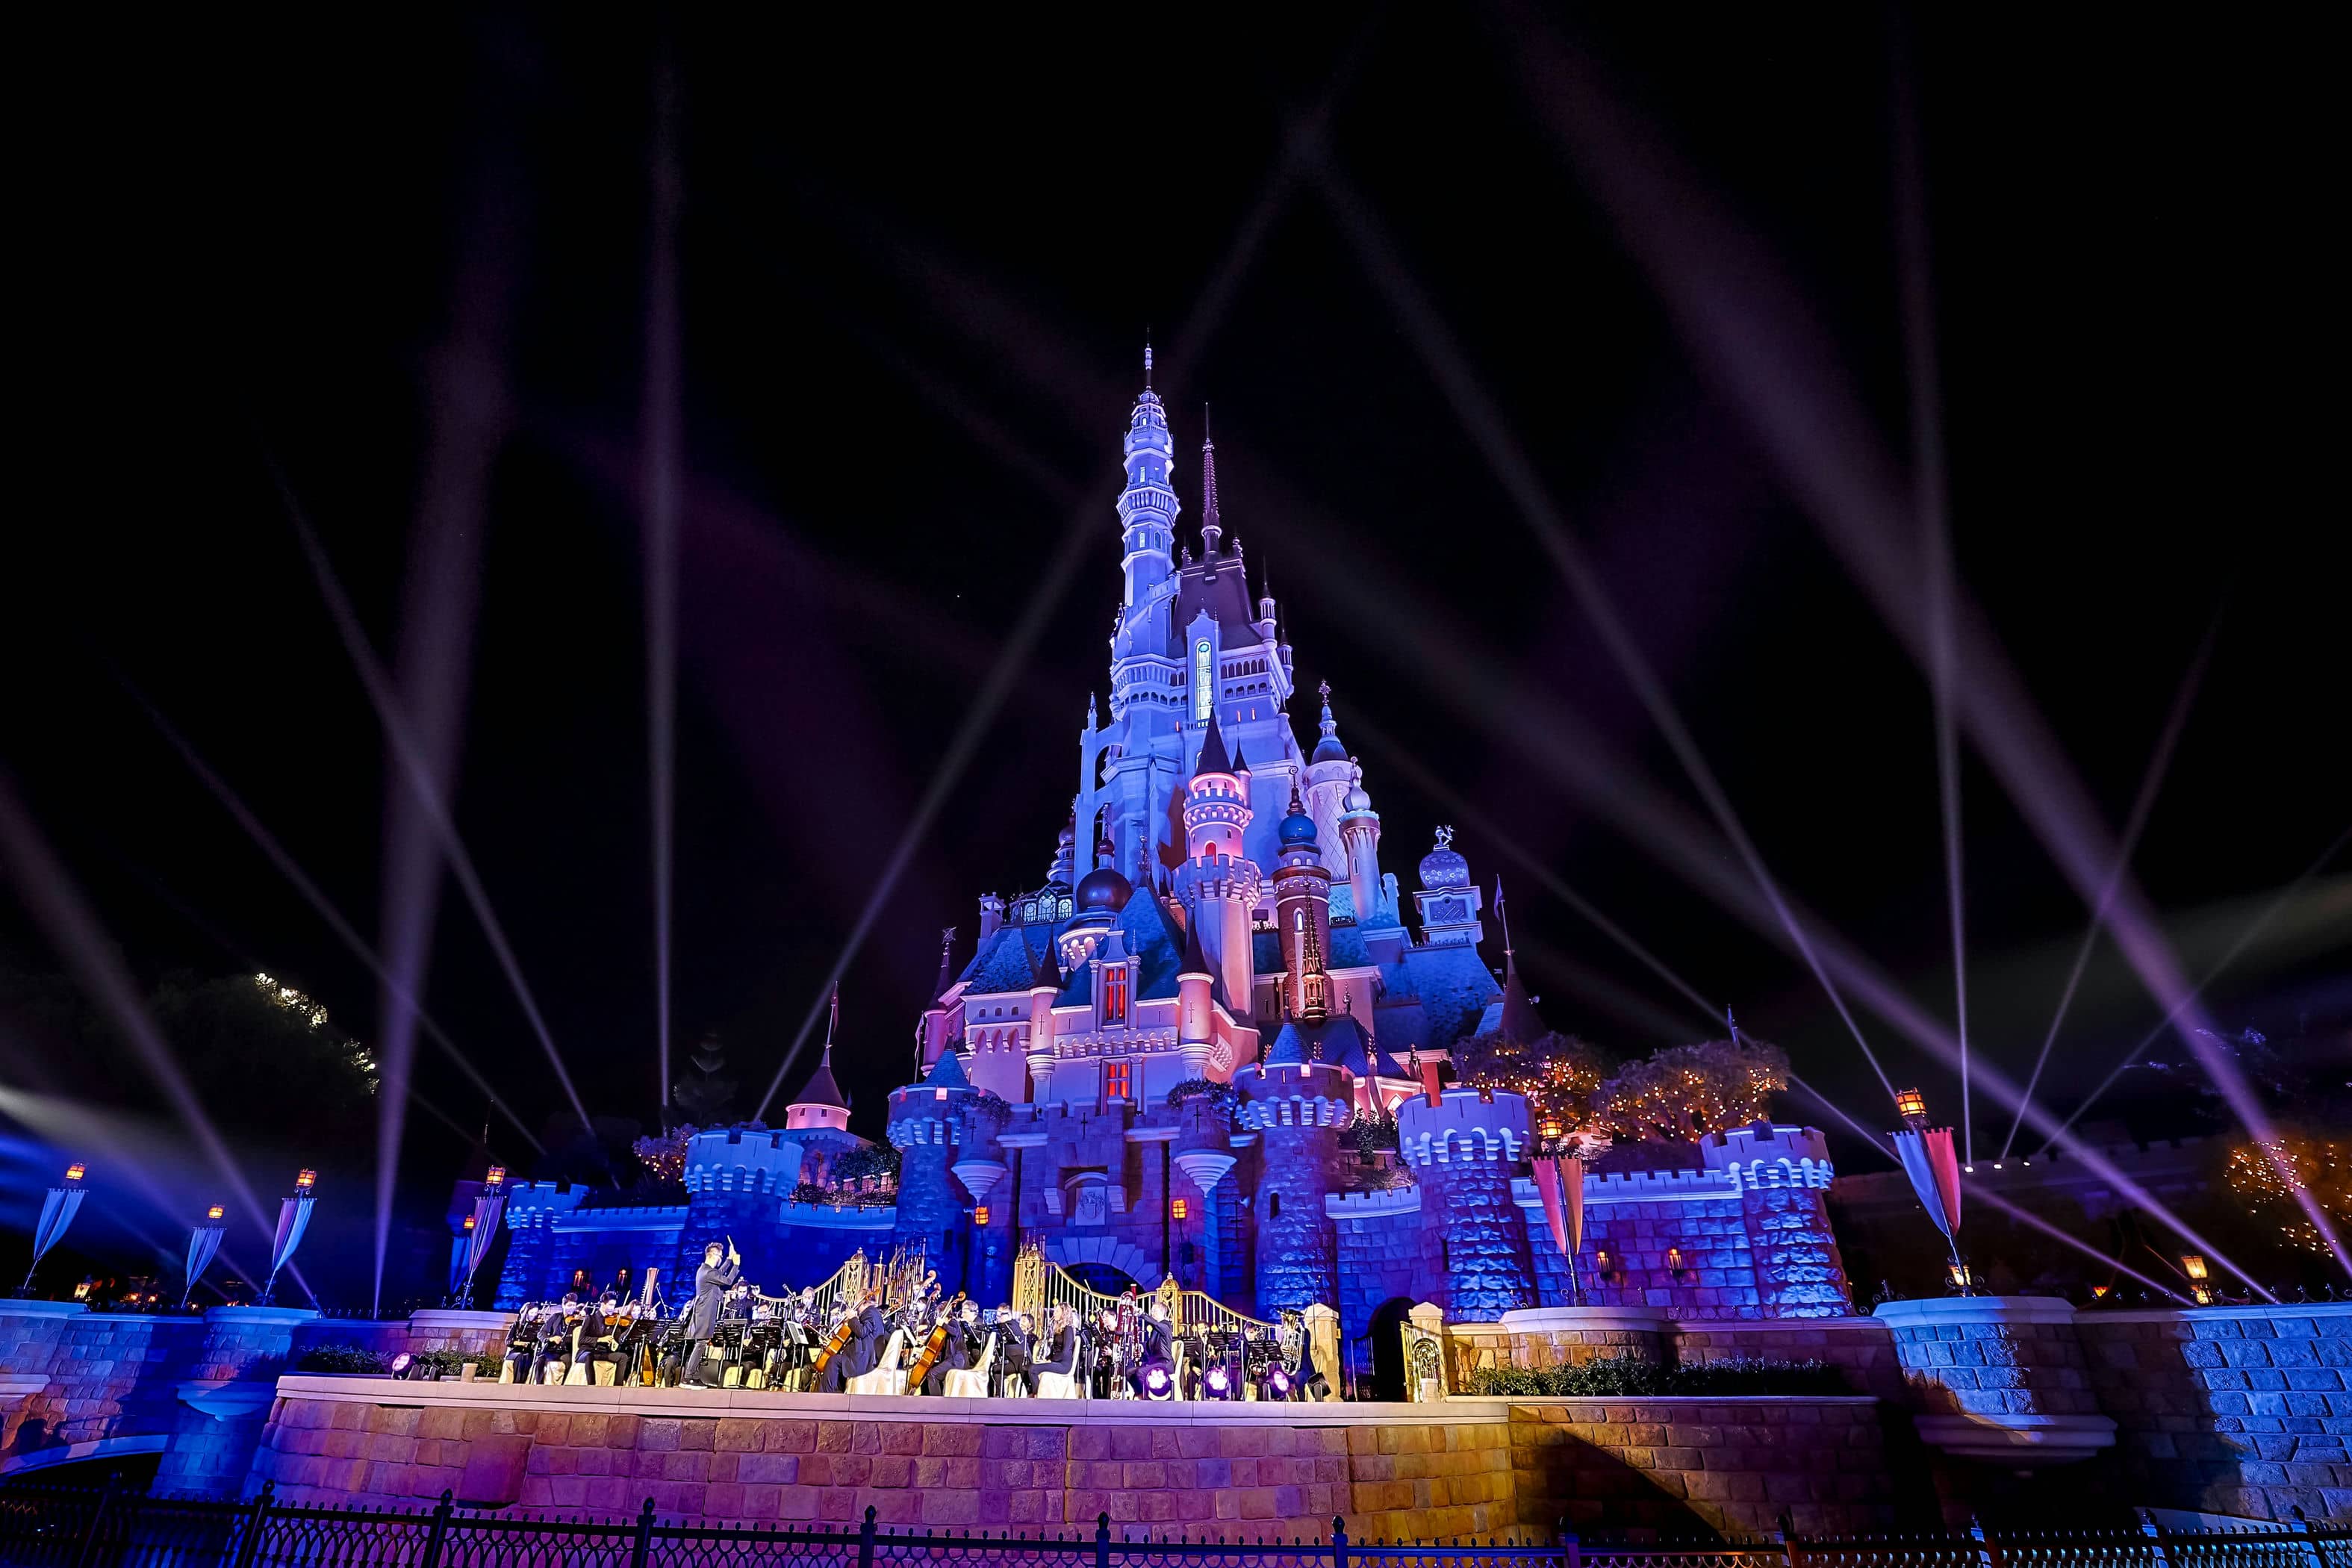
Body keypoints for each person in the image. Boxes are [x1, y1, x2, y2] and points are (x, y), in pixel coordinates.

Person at [679, 1239, 741, 1388]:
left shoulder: (706, 1271)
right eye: (720, 1257)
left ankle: (693, 1376)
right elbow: (727, 1281)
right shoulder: (707, 1272)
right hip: (704, 1312)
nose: (720, 1260)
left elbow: (718, 1274)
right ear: (713, 1255)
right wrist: (736, 1265)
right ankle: (688, 1377)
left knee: (701, 1343)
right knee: (701, 1343)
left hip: (704, 1311)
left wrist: (728, 1259)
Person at [1132, 1298, 1175, 1399]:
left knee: (1140, 1373)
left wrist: (1142, 1314)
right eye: (1151, 1311)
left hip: (1164, 1363)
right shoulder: (1155, 1330)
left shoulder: (1166, 1326)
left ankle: (1147, 1399)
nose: (1152, 1313)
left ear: (1162, 1312)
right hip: (1155, 1363)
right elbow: (1151, 1352)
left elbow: (1157, 1324)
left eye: (1154, 1311)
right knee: (1131, 1372)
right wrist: (1141, 1352)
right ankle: (1142, 1397)